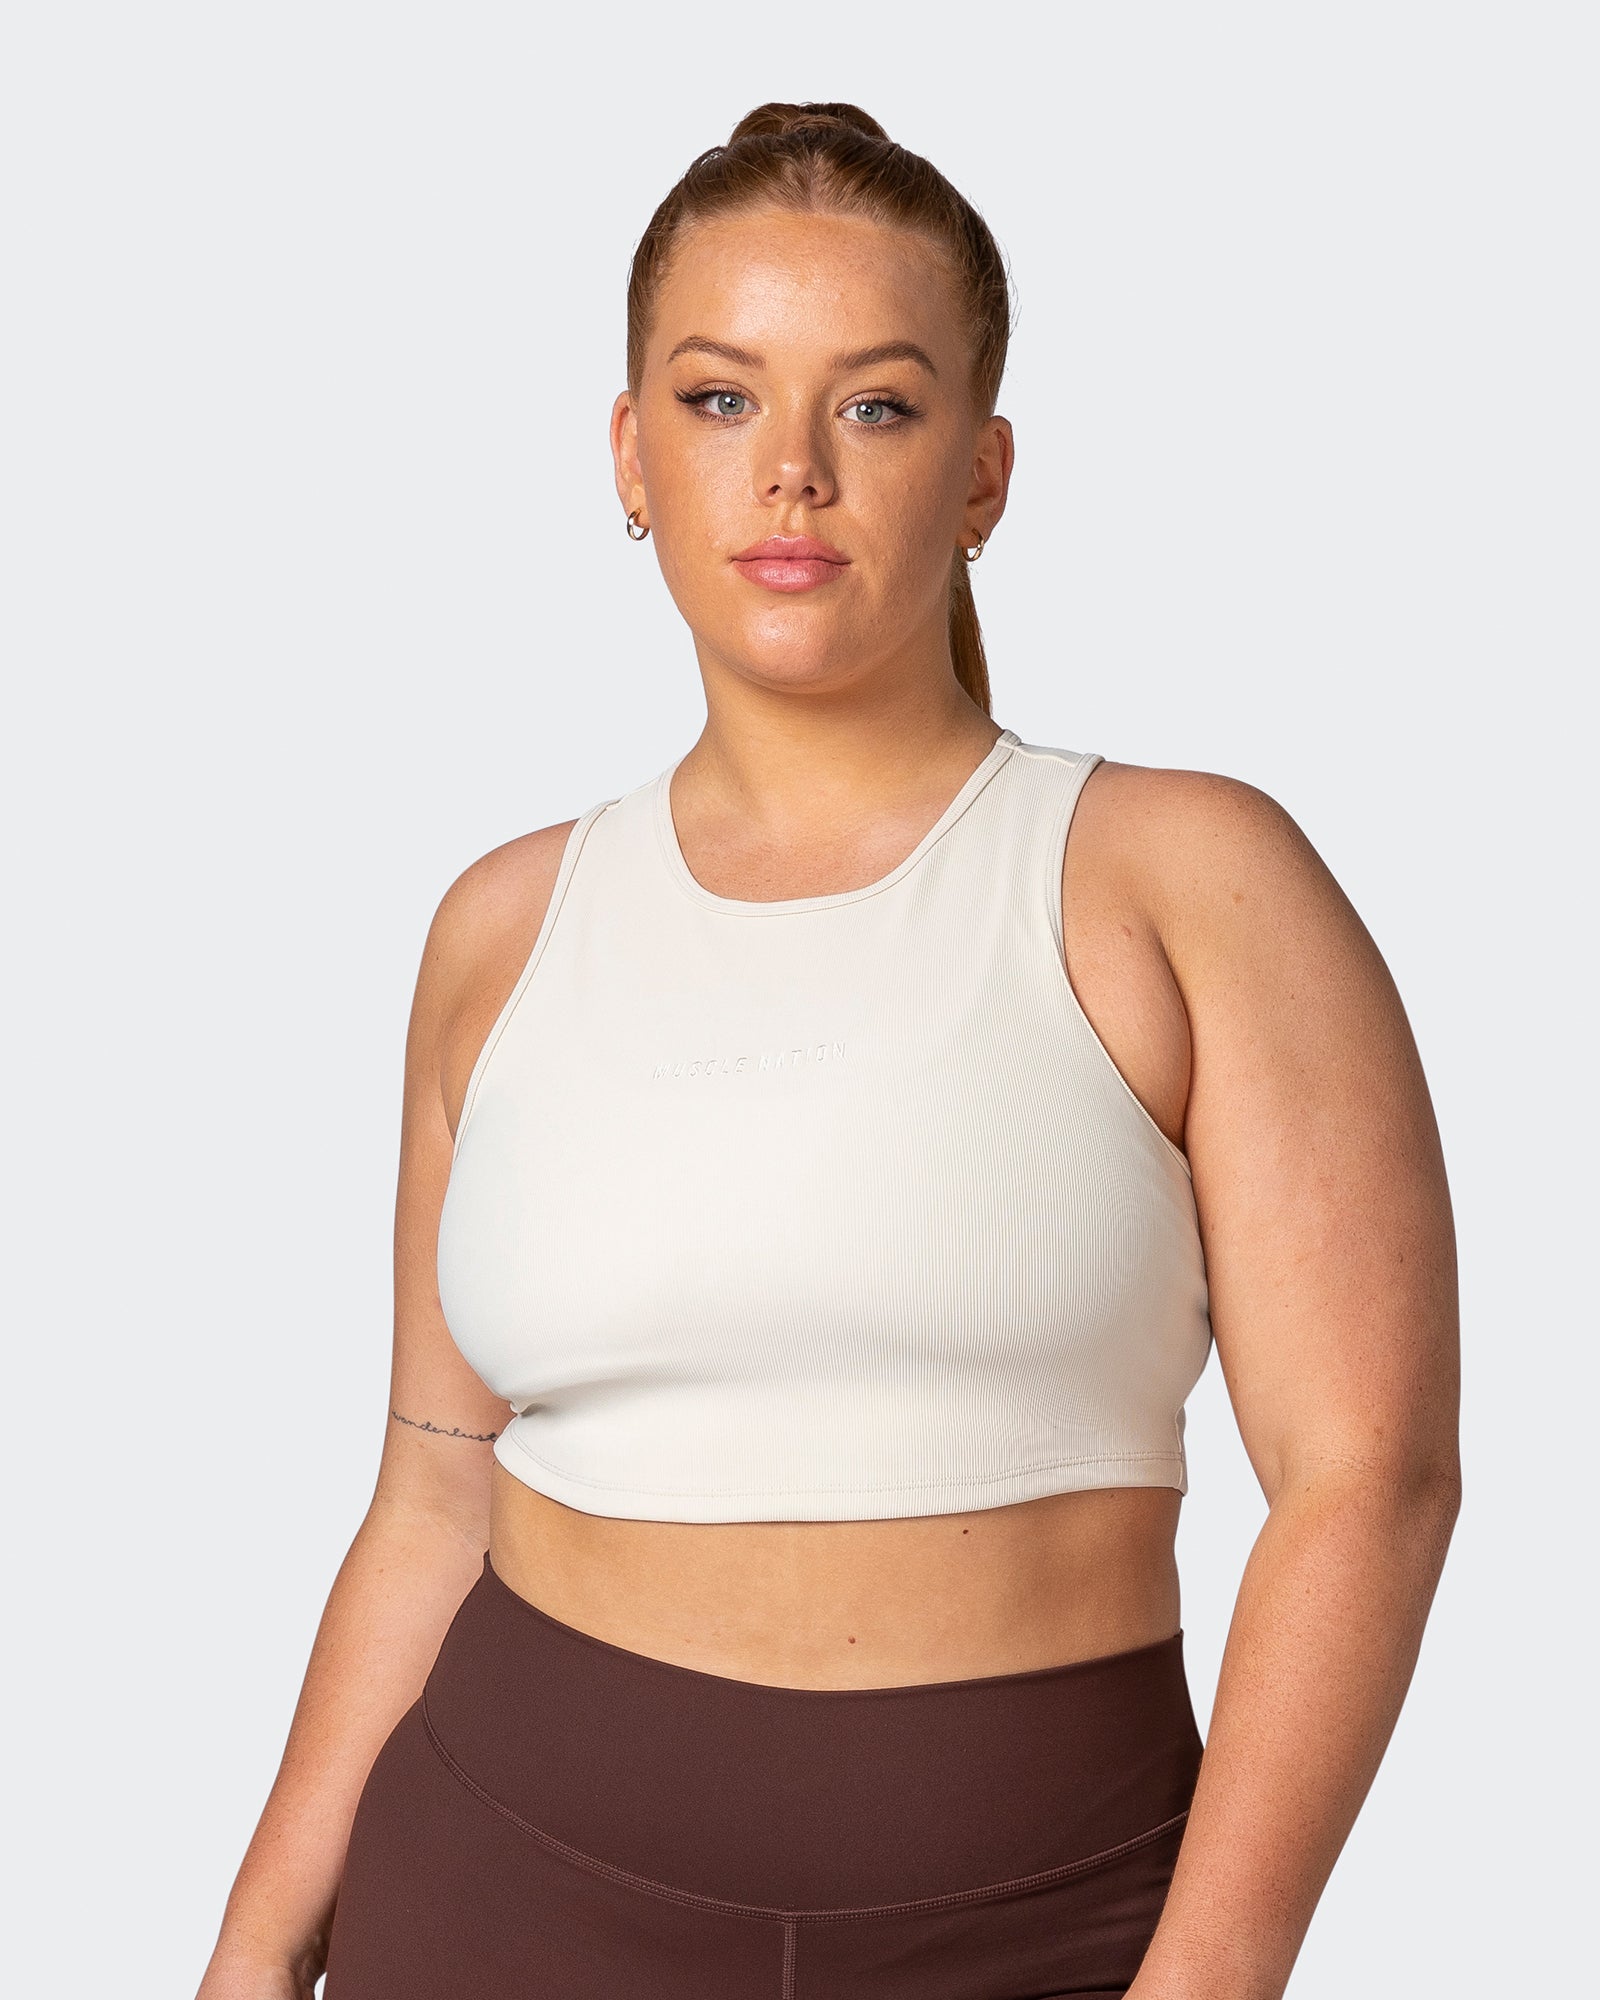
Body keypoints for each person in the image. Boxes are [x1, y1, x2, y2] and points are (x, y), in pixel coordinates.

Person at [197, 102, 1460, 2000]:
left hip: (1043, 1926)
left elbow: (1371, 1478)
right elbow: (435, 1491)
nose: (789, 470)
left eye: (875, 405)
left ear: (984, 472)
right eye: (719, 399)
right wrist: (247, 1953)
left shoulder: (1184, 881)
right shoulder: (503, 930)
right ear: (630, 456)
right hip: (499, 1897)